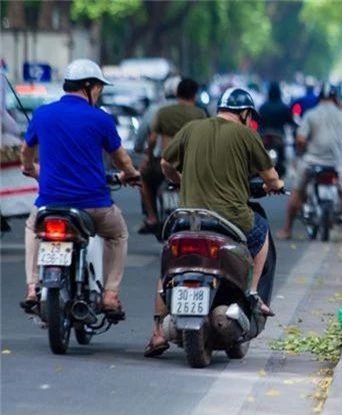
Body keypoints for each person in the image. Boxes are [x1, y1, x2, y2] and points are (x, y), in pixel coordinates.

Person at [143, 87, 284, 357]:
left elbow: (165, 163)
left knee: (167, 267)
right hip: (230, 219)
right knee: (262, 232)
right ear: (244, 114)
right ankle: (253, 294)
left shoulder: (191, 128)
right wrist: (275, 185)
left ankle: (158, 332)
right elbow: (270, 175)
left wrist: (179, 180)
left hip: (187, 219)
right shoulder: (247, 135)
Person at [19, 59, 140, 315]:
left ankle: (32, 288)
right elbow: (122, 159)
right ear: (88, 87)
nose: (99, 93)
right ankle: (110, 295)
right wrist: (130, 174)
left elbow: (26, 155)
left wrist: (32, 170)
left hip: (50, 205)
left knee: (32, 226)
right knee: (118, 235)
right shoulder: (100, 119)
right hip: (94, 206)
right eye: (99, 88)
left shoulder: (42, 114)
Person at [277, 83, 342, 241]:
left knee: (297, 190)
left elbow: (300, 139)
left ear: (319, 97)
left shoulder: (310, 114)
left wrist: (301, 150)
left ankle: (287, 229)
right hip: (336, 163)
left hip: (312, 161)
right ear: (335, 98)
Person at [137, 78, 206, 234]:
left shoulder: (163, 112)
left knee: (143, 178)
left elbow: (153, 139)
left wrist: (148, 157)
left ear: (177, 93)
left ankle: (152, 217)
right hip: (190, 166)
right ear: (194, 96)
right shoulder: (200, 114)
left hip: (164, 164)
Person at [258, 81, 296, 176]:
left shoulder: (263, 107)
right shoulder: (284, 107)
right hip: (278, 137)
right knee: (282, 159)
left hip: (264, 137)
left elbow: (257, 122)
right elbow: (291, 122)